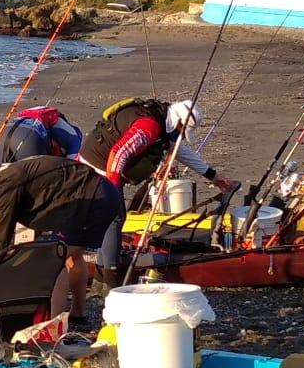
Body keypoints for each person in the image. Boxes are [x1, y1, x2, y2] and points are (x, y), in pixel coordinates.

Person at [79, 97, 237, 282]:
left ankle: (101, 276)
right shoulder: (149, 126)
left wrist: (212, 176)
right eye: (182, 130)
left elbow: (179, 151)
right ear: (177, 122)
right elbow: (119, 153)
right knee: (114, 218)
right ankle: (111, 278)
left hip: (104, 165)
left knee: (115, 218)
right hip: (96, 166)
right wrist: (113, 188)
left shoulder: (163, 121)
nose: (181, 135)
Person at [0, 155, 124, 322]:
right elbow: (40, 205)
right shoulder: (7, 175)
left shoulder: (6, 184)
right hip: (94, 194)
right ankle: (78, 314)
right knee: (71, 256)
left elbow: (2, 237)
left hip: (94, 199)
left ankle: (53, 323)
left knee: (54, 260)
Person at [0, 105, 83, 163]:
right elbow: (73, 166)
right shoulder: (75, 139)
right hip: (31, 137)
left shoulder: (55, 121)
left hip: (6, 131)